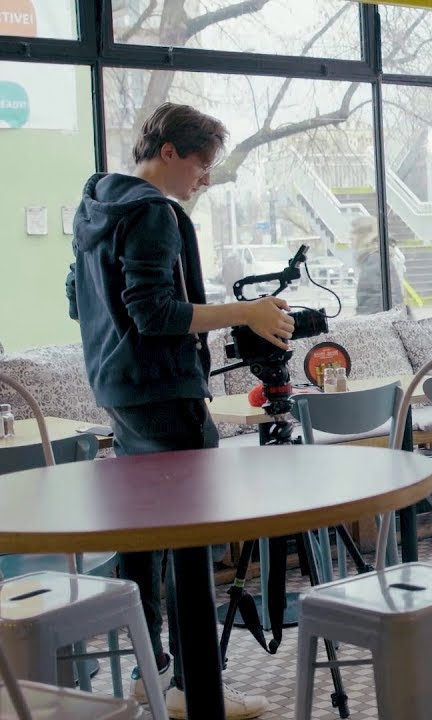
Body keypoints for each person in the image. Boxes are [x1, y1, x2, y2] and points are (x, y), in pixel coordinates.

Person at [66, 102, 293, 720]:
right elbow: (155, 313)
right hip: (165, 392)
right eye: (201, 164)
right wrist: (247, 312)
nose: (207, 178)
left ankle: (153, 671)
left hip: (118, 389)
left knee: (145, 537)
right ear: (168, 152)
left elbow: (77, 299)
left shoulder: (96, 205)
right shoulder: (154, 213)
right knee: (190, 541)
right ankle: (195, 690)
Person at [353, 215, 404, 315]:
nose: (350, 237)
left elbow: (371, 303)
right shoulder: (377, 258)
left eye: (354, 233)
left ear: (364, 236)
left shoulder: (375, 261)